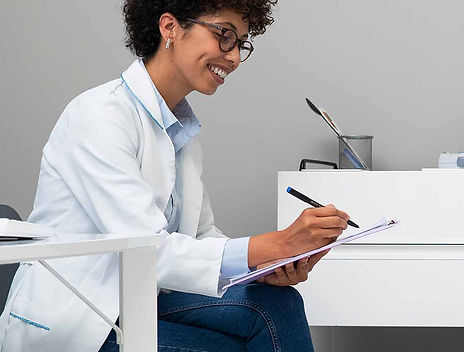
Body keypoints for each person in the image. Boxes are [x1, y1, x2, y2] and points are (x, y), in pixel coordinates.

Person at [0, 1, 350, 351]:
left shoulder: (181, 133)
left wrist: (267, 264)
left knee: (279, 302)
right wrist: (273, 243)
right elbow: (146, 248)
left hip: (143, 299)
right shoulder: (100, 116)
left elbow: (200, 234)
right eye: (225, 35)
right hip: (81, 317)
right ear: (170, 28)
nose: (234, 58)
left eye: (241, 44)